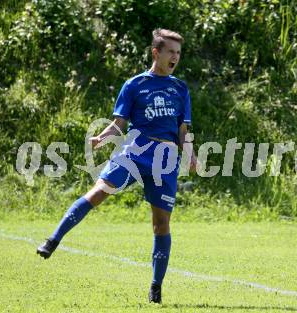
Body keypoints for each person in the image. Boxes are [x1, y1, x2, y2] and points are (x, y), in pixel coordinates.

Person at [36, 28, 197, 304]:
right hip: (136, 150)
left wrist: (190, 154)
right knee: (99, 191)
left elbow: (183, 129)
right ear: (156, 52)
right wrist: (102, 137)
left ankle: (156, 289)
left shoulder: (180, 88)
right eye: (171, 51)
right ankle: (53, 240)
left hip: (165, 158)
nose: (175, 57)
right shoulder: (134, 85)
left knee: (161, 224)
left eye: (179, 53)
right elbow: (119, 124)